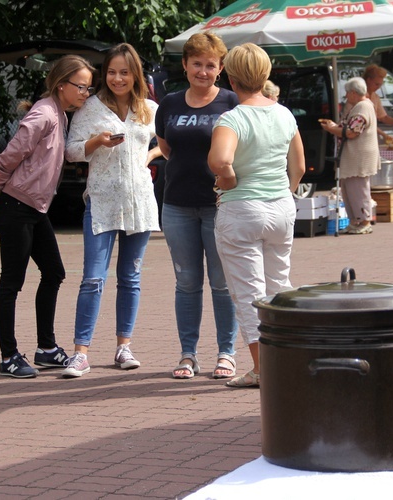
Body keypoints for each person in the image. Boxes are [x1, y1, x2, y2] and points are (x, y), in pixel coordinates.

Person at [0, 55, 95, 378]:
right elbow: (10, 155)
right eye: (81, 87)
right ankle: (8, 356)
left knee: (54, 272)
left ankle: (46, 348)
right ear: (61, 84)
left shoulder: (59, 114)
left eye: (88, 88)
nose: (85, 93)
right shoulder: (44, 113)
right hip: (17, 205)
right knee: (11, 282)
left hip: (35, 207)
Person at [208, 43, 305, 388]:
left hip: (242, 209)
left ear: (231, 79)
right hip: (280, 206)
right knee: (280, 286)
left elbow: (220, 161)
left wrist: (229, 180)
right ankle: (289, 359)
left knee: (249, 292)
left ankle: (263, 368)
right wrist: (284, 192)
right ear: (265, 75)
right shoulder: (285, 114)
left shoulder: (232, 119)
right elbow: (300, 166)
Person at [61, 43, 161, 378]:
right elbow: (71, 151)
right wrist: (95, 143)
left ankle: (123, 347)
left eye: (125, 72)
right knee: (92, 278)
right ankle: (80, 353)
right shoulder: (90, 107)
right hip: (102, 204)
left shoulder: (148, 108)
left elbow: (167, 140)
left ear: (135, 75)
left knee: (130, 278)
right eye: (112, 72)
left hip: (139, 203)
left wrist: (149, 156)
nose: (118, 78)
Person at [155, 33, 240, 380]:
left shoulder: (232, 103)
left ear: (220, 69)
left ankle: (227, 353)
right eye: (197, 64)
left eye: (210, 65)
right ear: (185, 65)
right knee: (186, 282)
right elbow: (166, 148)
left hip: (219, 205)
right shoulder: (170, 104)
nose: (203, 71)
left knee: (222, 283)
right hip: (176, 204)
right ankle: (188, 354)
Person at [320, 77, 378, 235]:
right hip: (355, 156)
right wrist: (335, 126)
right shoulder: (363, 106)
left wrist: (332, 129)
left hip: (358, 157)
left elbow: (352, 132)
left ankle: (364, 221)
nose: (346, 96)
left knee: (358, 190)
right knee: (349, 189)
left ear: (353, 93)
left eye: (347, 93)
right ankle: (355, 221)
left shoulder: (362, 107)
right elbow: (350, 127)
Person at [361, 64, 393, 140]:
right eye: (376, 84)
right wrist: (384, 135)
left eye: (380, 85)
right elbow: (367, 124)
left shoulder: (375, 97)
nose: (378, 87)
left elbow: (384, 118)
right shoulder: (359, 97)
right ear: (368, 80)